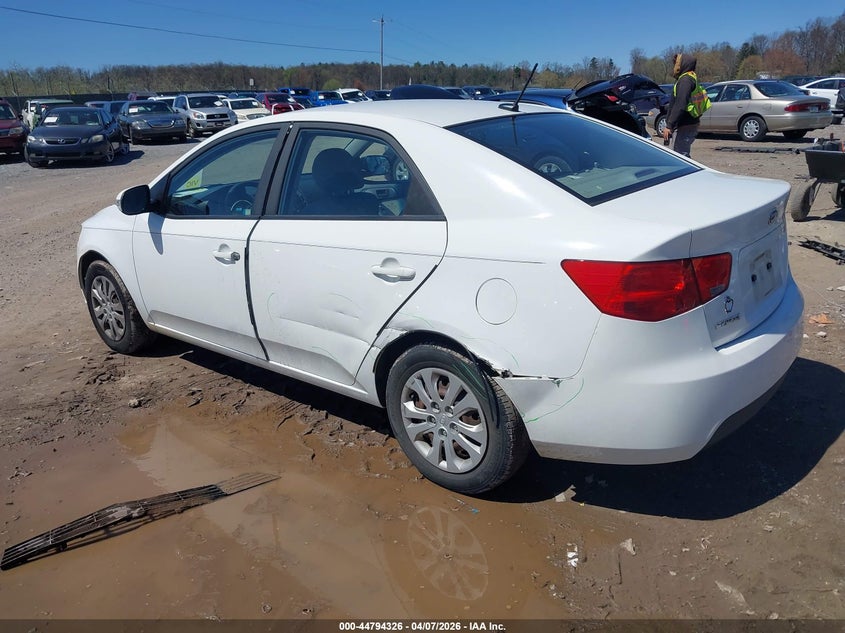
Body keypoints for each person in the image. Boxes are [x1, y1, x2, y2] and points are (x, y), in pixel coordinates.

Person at [663, 53, 701, 157]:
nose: (675, 67)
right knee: (680, 155)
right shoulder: (690, 78)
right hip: (688, 123)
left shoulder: (685, 81)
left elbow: (680, 104)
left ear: (683, 64)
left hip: (684, 125)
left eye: (677, 63)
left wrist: (669, 125)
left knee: (681, 156)